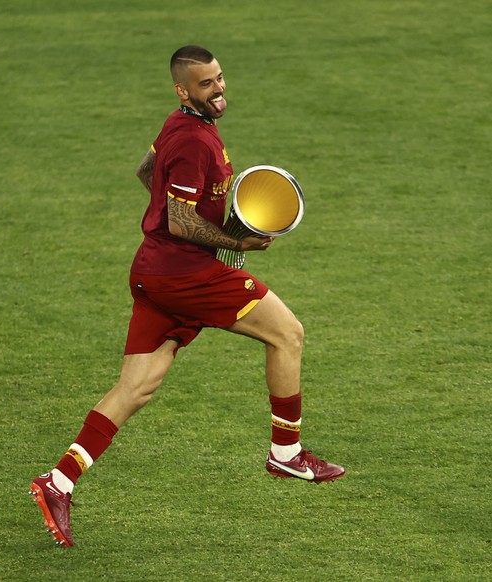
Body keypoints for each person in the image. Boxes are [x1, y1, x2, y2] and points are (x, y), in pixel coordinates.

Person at [30, 45, 344, 547]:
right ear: (183, 90)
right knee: (288, 334)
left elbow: (145, 173)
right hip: (185, 274)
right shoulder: (195, 140)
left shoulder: (177, 124)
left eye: (219, 78)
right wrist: (235, 242)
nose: (218, 89)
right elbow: (180, 218)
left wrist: (177, 216)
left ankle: (58, 481)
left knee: (137, 387)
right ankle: (286, 454)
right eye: (205, 84)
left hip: (153, 270)